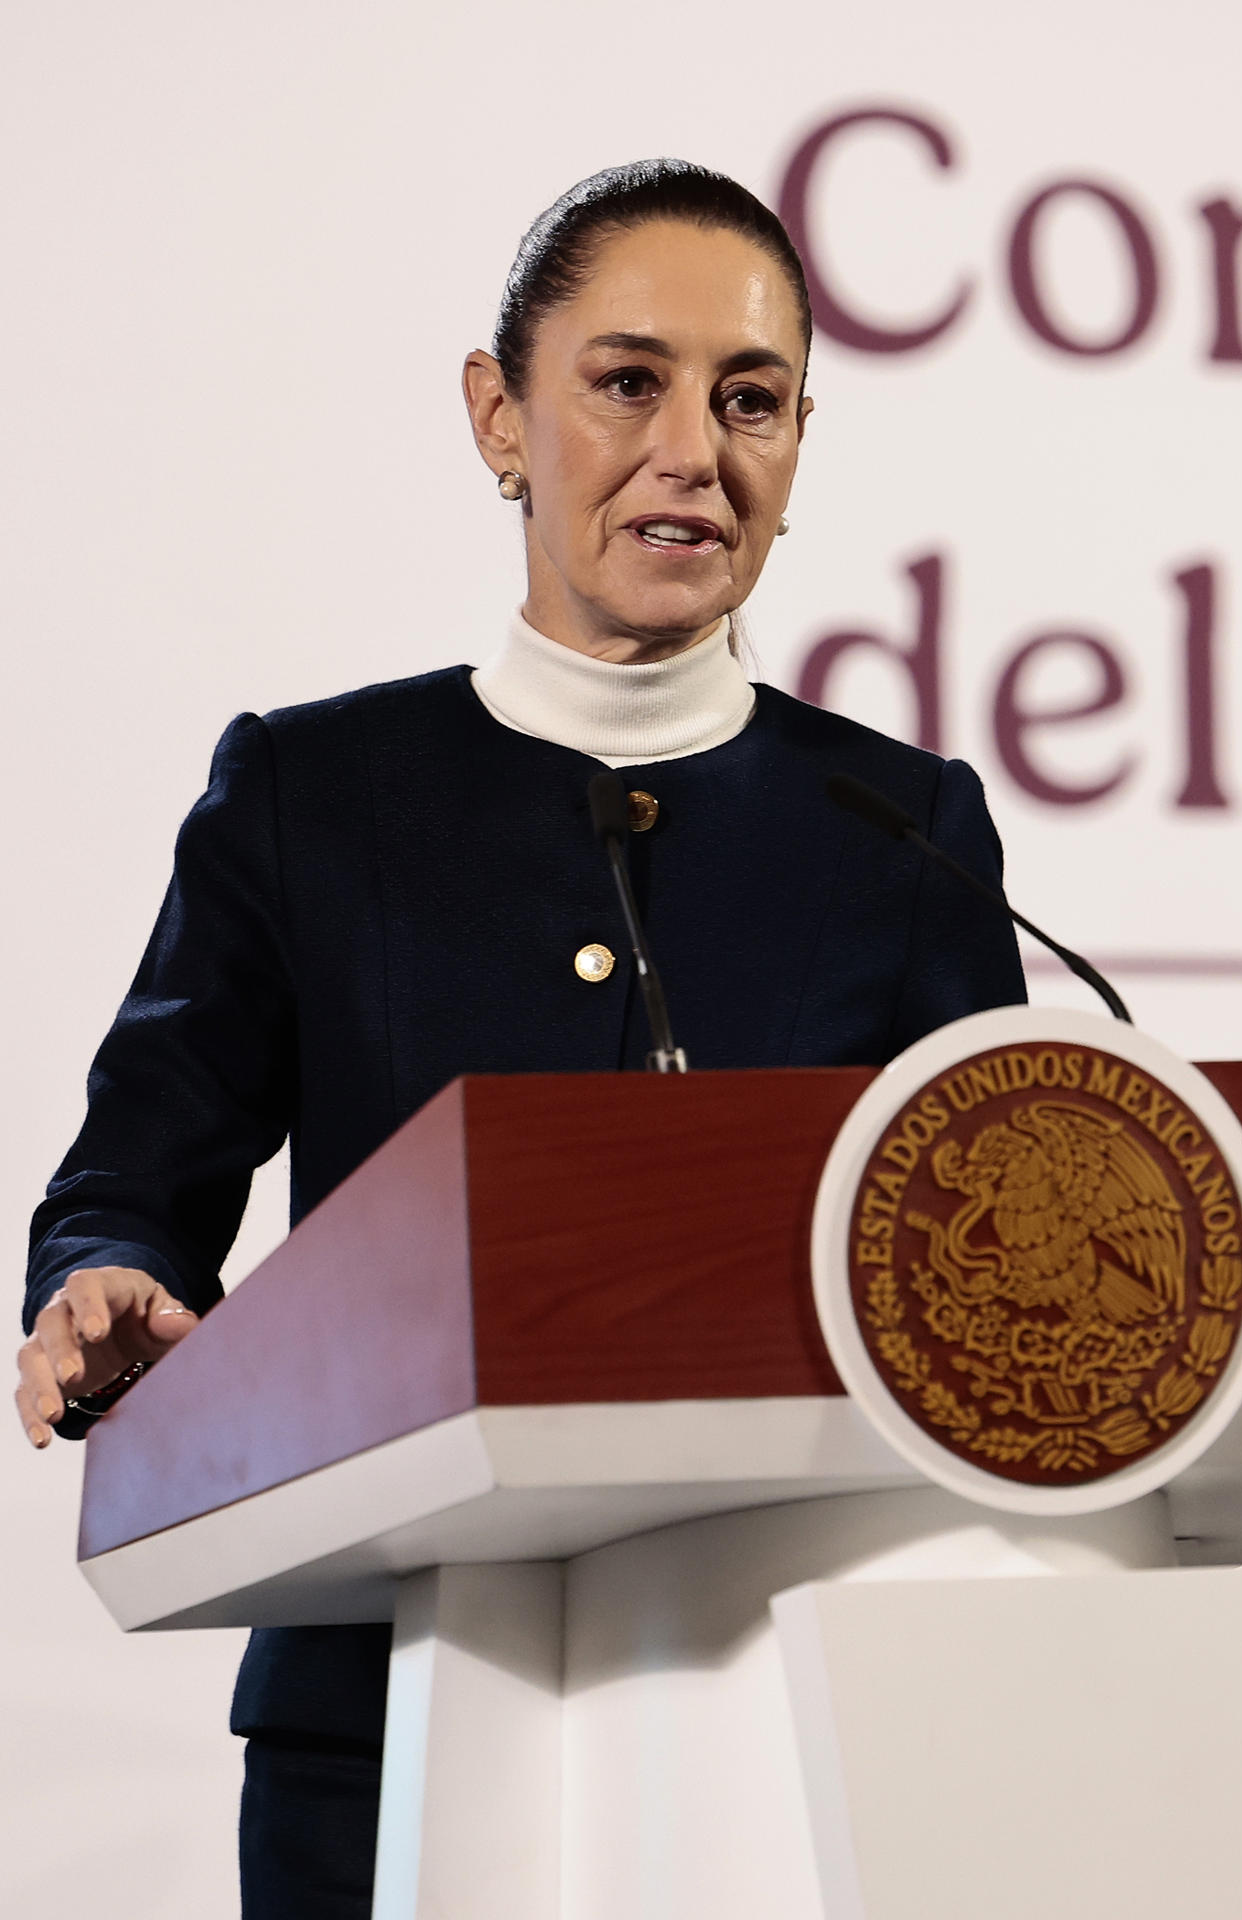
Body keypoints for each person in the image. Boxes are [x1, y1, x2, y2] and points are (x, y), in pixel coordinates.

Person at [15, 159, 1025, 1916]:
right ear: (498, 414)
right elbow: (130, 1187)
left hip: (789, 1728)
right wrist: (107, 1290)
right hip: (378, 1724)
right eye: (625, 381)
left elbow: (988, 1271)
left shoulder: (903, 826)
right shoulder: (314, 795)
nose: (690, 450)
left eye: (751, 399)